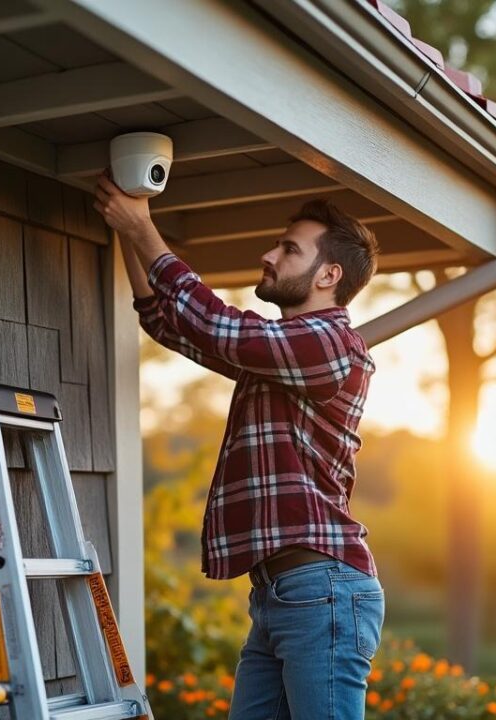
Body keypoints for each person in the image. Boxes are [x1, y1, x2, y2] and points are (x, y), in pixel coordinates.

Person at [93, 170, 384, 719]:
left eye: (289, 249)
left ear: (330, 274)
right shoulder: (279, 359)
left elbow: (217, 325)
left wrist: (144, 228)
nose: (269, 256)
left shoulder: (331, 343)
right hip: (282, 593)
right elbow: (170, 324)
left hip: (321, 589)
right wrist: (127, 231)